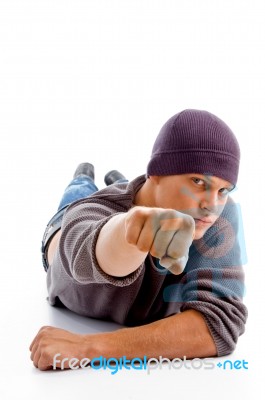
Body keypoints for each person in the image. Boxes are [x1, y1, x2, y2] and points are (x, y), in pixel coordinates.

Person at [29, 109, 248, 370]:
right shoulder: (91, 210)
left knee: (132, 190)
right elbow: (89, 256)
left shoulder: (217, 218)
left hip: (144, 193)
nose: (212, 205)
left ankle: (119, 180)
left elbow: (218, 325)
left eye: (223, 190)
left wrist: (91, 347)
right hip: (64, 226)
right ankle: (83, 177)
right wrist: (127, 233)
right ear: (155, 173)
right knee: (77, 193)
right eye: (198, 181)